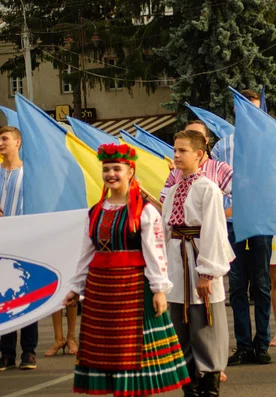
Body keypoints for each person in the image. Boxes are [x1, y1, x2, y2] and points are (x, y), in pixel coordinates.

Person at [64, 143, 190, 396]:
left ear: (130, 171)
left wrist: (158, 289)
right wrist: (76, 288)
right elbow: (86, 252)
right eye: (106, 169)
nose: (111, 174)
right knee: (108, 349)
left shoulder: (144, 211)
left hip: (132, 288)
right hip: (101, 290)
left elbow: (155, 252)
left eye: (117, 169)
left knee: (131, 348)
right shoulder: (96, 211)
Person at [162, 130, 234, 397]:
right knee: (180, 328)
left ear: (199, 155)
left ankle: (209, 388)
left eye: (182, 151)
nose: (177, 155)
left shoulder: (208, 188)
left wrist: (207, 273)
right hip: (177, 264)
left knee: (206, 326)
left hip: (199, 259)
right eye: (175, 150)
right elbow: (166, 230)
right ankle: (189, 389)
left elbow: (215, 231)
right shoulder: (172, 190)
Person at [212, 90, 274, 366]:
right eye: (246, 109)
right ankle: (243, 346)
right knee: (237, 285)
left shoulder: (270, 143)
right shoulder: (222, 147)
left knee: (261, 285)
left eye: (256, 110)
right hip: (232, 224)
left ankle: (262, 344)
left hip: (260, 224)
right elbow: (215, 187)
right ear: (237, 112)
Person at [0, 126, 38, 371]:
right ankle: (6, 352)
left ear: (18, 142)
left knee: (27, 293)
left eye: (5, 139)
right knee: (4, 296)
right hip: (2, 241)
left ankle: (29, 351)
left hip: (27, 240)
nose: (1, 143)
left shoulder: (30, 173)